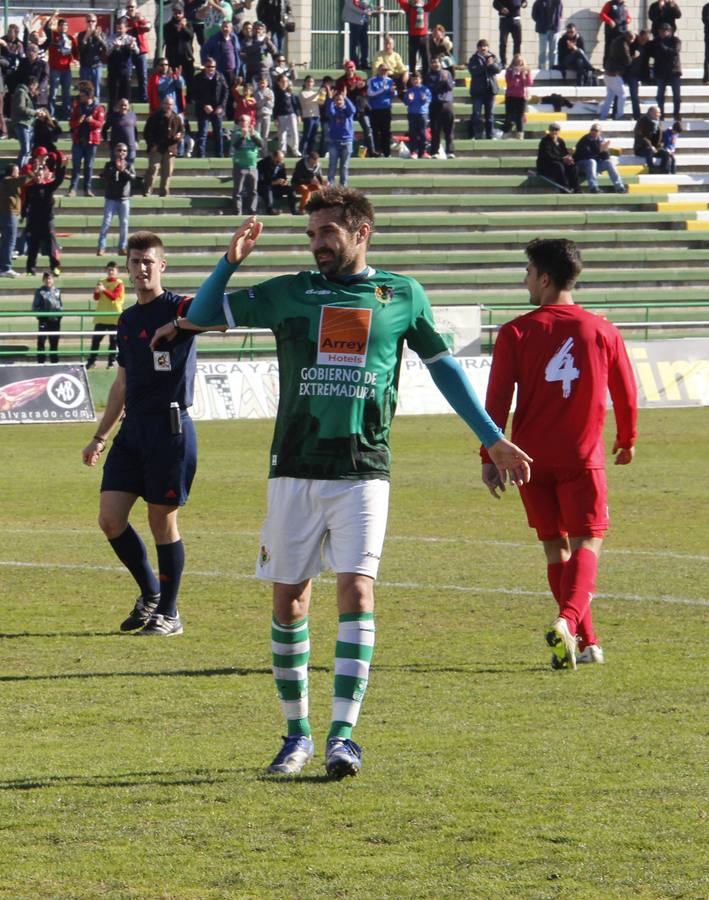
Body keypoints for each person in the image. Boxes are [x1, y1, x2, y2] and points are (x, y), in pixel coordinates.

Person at [180, 192, 532, 779]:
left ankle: (344, 736)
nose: (316, 243)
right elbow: (201, 313)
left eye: (327, 233)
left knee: (357, 593)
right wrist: (230, 261)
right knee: (290, 598)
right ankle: (297, 736)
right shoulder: (291, 290)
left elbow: (444, 367)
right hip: (293, 467)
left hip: (363, 468)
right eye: (312, 233)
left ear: (360, 232)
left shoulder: (401, 295)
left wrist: (492, 436)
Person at [481, 238, 637, 670]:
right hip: (580, 457)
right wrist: (627, 436)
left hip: (528, 461)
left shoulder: (515, 331)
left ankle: (587, 643)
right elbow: (624, 390)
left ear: (545, 279)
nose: (525, 280)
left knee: (555, 549)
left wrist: (488, 455)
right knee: (589, 539)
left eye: (528, 272)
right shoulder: (602, 329)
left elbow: (495, 401)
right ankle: (569, 621)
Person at [81, 232, 218, 637]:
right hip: (132, 430)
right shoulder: (126, 319)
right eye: (135, 261)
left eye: (148, 262)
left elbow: (216, 317)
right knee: (110, 519)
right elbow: (122, 381)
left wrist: (176, 324)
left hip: (170, 428)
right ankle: (151, 594)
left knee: (162, 520)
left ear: (162, 266)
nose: (141, 269)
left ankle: (170, 614)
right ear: (127, 266)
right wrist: (100, 436)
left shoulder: (179, 307)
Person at [97, 143, 134, 256]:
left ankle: (122, 247)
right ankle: (101, 247)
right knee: (106, 223)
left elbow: (132, 178)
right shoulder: (109, 164)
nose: (121, 152)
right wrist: (115, 170)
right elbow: (105, 176)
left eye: (124, 151)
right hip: (111, 199)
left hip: (124, 199)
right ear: (115, 152)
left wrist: (123, 170)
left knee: (124, 224)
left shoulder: (129, 165)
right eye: (119, 150)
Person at [143, 95, 183, 197]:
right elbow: (147, 132)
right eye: (166, 104)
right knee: (153, 169)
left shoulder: (176, 118)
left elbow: (181, 131)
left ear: (173, 106)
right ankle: (147, 191)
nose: (168, 106)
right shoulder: (155, 116)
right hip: (157, 148)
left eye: (170, 104)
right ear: (162, 104)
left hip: (170, 149)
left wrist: (179, 136)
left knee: (167, 172)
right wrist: (152, 145)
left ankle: (164, 193)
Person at [574, 123, 627, 193]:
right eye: (592, 129)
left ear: (600, 132)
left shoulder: (601, 140)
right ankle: (593, 187)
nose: (593, 131)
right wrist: (600, 150)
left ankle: (620, 187)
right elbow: (586, 155)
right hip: (582, 164)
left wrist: (605, 151)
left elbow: (606, 157)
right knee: (592, 161)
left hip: (594, 165)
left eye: (595, 130)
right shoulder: (584, 140)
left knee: (609, 163)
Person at [467, 40, 500, 141]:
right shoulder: (473, 59)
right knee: (476, 114)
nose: (483, 48)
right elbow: (473, 71)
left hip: (490, 91)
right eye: (481, 46)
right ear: (478, 48)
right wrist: (485, 65)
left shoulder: (493, 58)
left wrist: (491, 64)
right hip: (478, 92)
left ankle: (490, 135)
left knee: (489, 115)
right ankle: (473, 134)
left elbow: (498, 69)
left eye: (485, 46)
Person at [231, 114, 262, 215]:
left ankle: (252, 211)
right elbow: (236, 146)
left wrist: (252, 136)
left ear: (249, 122)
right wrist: (243, 137)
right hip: (240, 166)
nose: (242, 122)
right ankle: (237, 212)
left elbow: (261, 144)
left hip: (252, 166)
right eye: (240, 120)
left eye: (244, 120)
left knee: (253, 191)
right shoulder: (236, 133)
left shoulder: (255, 133)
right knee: (238, 191)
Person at [536, 122, 577, 192]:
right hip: (546, 165)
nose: (554, 132)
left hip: (559, 161)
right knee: (558, 166)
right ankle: (564, 187)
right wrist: (562, 159)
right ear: (549, 131)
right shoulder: (545, 141)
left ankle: (575, 187)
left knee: (573, 166)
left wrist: (569, 158)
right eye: (552, 130)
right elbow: (548, 155)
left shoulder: (560, 141)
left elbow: (565, 152)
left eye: (556, 130)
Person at [33, 270, 62, 362]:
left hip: (55, 320)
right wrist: (42, 315)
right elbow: (35, 306)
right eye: (45, 278)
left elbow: (60, 305)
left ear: (52, 279)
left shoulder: (57, 291)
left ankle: (54, 361)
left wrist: (59, 315)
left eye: (49, 278)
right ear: (43, 280)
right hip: (44, 320)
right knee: (41, 341)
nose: (48, 280)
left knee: (54, 341)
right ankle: (41, 362)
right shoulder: (39, 291)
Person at [257, 146, 294, 214]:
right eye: (277, 161)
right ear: (273, 157)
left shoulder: (281, 164)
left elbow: (284, 177)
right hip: (264, 187)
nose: (279, 163)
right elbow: (262, 181)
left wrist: (284, 182)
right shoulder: (263, 164)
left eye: (281, 161)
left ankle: (293, 210)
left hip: (277, 186)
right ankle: (270, 210)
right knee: (268, 189)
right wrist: (274, 182)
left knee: (290, 189)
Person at [532, 0, 563, 69]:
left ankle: (552, 67)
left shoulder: (558, 2)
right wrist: (541, 22)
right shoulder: (538, 2)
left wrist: (556, 23)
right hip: (543, 29)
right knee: (542, 50)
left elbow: (560, 14)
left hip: (554, 29)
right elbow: (534, 15)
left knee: (554, 50)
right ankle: (542, 68)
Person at [494, 0, 527, 65]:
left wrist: (524, 4)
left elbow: (524, 2)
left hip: (516, 20)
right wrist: (501, 8)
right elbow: (495, 3)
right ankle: (503, 62)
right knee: (503, 42)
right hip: (504, 20)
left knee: (518, 42)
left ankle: (516, 62)